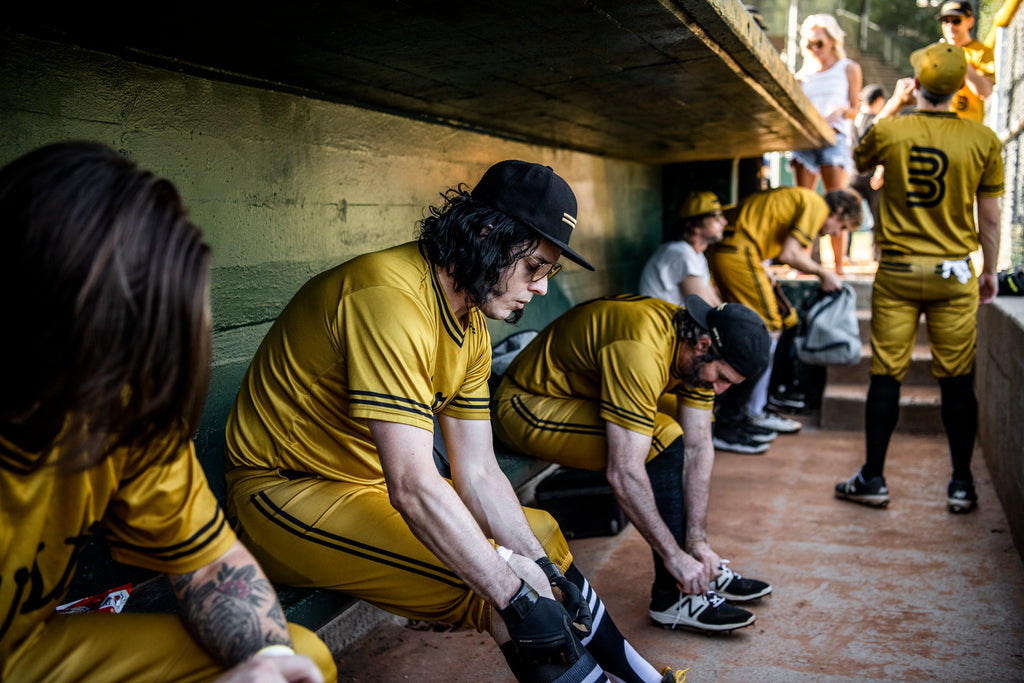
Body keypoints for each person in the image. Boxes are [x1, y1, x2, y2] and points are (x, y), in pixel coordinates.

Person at [223, 160, 687, 683]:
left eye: (548, 273)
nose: (539, 287)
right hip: (285, 494)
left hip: (365, 485)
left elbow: (479, 472)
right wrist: (517, 595)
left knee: (542, 540)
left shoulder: (471, 323)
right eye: (535, 266)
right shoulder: (390, 297)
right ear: (487, 233)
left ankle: (641, 677)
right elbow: (415, 487)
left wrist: (551, 576)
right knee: (495, 589)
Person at [0, 141, 334, 683]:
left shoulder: (122, 407)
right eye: (116, 346)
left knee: (297, 661)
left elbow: (209, 564)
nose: (129, 382)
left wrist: (267, 664)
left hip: (26, 651)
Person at [492, 294, 773, 634]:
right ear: (702, 345)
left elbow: (699, 448)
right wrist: (673, 555)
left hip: (580, 397)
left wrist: (697, 541)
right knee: (664, 437)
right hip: (525, 404)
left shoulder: (695, 352)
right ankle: (673, 595)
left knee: (678, 432)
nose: (721, 389)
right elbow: (624, 472)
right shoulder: (642, 348)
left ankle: (699, 567)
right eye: (722, 377)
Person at [834, 42, 1003, 513]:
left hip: (900, 272)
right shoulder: (983, 139)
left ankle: (874, 479)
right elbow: (989, 221)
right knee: (956, 380)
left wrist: (895, 103)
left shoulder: (891, 129)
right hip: (954, 273)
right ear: (958, 86)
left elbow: (857, 155)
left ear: (919, 84)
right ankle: (962, 484)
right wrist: (989, 271)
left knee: (886, 375)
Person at [705, 186, 863, 453]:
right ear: (838, 210)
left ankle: (749, 411)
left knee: (782, 319)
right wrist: (824, 274)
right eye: (841, 226)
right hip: (737, 249)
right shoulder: (816, 205)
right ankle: (731, 421)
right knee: (766, 331)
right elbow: (790, 254)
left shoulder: (804, 200)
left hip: (738, 249)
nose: (834, 234)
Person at [791, 13, 863, 276]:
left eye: (818, 43)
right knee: (806, 203)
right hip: (805, 141)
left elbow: (856, 109)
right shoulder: (802, 74)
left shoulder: (848, 68)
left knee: (838, 202)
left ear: (832, 40)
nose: (814, 48)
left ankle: (839, 267)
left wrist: (842, 111)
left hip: (834, 138)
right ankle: (803, 264)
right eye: (809, 44)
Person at [638, 191, 728, 306]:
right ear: (693, 225)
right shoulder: (679, 253)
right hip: (662, 323)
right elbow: (703, 306)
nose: (724, 222)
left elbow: (714, 302)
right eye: (716, 217)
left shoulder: (696, 254)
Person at [937, 1, 995, 124]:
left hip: (967, 129)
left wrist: (961, 62)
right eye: (945, 21)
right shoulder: (936, 52)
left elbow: (985, 91)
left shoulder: (981, 52)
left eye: (956, 21)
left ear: (970, 22)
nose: (950, 26)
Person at [849, 83, 887, 260]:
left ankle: (843, 256)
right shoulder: (876, 120)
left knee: (847, 215)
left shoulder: (853, 118)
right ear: (879, 101)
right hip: (872, 176)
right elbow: (879, 149)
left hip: (852, 175)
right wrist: (880, 169)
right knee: (879, 219)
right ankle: (878, 257)